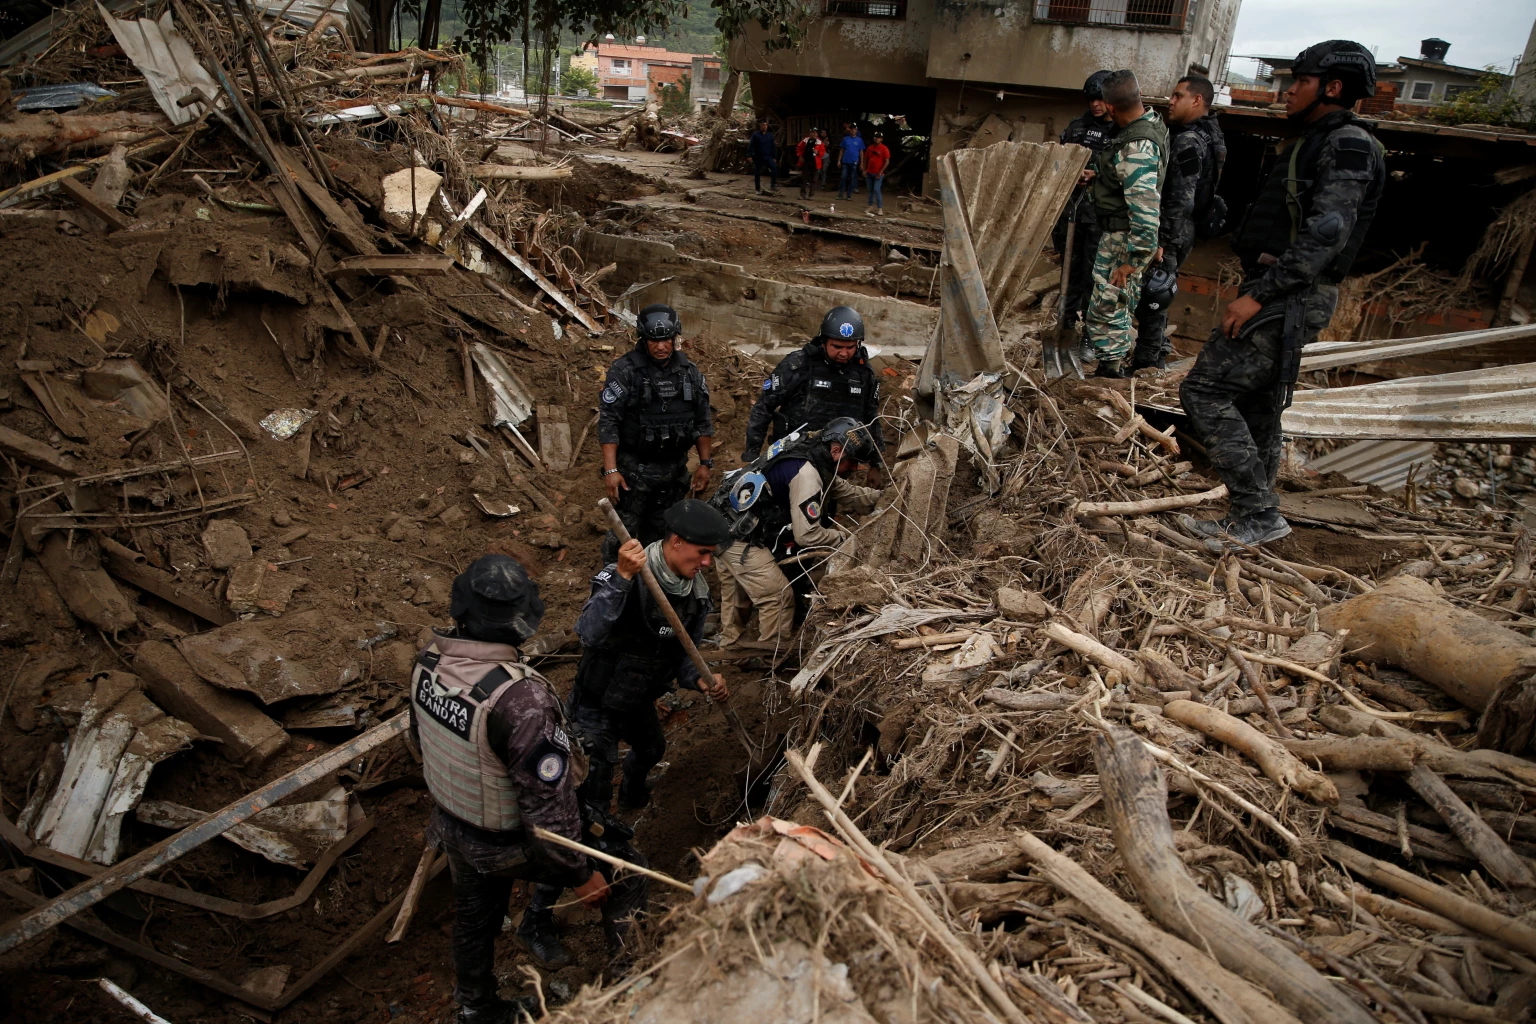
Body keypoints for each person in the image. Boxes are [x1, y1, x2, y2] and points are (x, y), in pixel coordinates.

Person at [1180, 40, 1384, 550]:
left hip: (1288, 294)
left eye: (1300, 82)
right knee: (1259, 405)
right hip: (1286, 291)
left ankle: (1256, 512)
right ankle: (1254, 518)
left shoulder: (1347, 145)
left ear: (1332, 88)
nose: (1288, 91)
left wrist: (1259, 296)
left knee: (1203, 391)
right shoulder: (1316, 141)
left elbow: (1325, 235)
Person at [409, 554, 610, 1022]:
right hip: (505, 843)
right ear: (521, 624)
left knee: (474, 919)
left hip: (454, 827)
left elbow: (419, 740)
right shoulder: (520, 698)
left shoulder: (426, 663)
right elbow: (549, 811)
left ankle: (475, 1009)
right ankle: (619, 977)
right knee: (622, 867)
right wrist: (580, 874)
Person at [570, 499, 732, 811]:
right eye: (703, 552)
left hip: (637, 698)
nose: (708, 563)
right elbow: (588, 633)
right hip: (597, 700)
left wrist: (700, 678)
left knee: (651, 749)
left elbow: (686, 654)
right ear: (677, 541)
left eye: (711, 554)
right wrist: (621, 578)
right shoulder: (626, 576)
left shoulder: (695, 597)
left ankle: (632, 798)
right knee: (592, 786)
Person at [714, 418, 883, 648]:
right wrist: (847, 538)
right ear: (836, 451)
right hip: (739, 534)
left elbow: (846, 492)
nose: (854, 470)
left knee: (739, 588)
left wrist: (885, 499)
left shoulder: (812, 449)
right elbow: (808, 535)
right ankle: (768, 659)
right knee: (777, 596)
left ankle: (731, 646)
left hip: (723, 520)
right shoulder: (807, 474)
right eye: (853, 462)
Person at [598, 304, 714, 563]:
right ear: (643, 339)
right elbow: (609, 422)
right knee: (623, 533)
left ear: (675, 339)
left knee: (664, 533)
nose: (661, 346)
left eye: (666, 340)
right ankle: (612, 584)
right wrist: (610, 470)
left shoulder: (690, 374)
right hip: (635, 471)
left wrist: (705, 464)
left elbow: (703, 422)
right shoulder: (626, 371)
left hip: (674, 472)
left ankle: (653, 585)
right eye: (654, 340)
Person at [1130, 74, 1227, 370]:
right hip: (1185, 228)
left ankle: (1147, 363)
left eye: (1177, 96)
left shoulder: (1188, 140)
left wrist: (1163, 242)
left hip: (1175, 229)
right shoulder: (1211, 134)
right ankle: (1157, 351)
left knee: (1153, 295)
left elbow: (1181, 198)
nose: (1170, 102)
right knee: (1161, 291)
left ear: (1197, 100)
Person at [1082, 69, 1167, 378]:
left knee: (1109, 306)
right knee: (1112, 303)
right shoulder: (1146, 127)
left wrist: (1135, 260)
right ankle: (1110, 368)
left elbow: (1144, 208)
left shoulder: (1138, 145)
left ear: (1112, 107)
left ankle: (1110, 374)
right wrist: (1099, 177)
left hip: (1124, 239)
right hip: (1123, 236)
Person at [743, 305, 884, 465]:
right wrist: (751, 456)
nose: (844, 353)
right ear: (823, 341)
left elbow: (871, 418)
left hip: (839, 463)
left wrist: (876, 463)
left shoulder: (863, 373)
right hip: (794, 457)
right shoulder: (798, 365)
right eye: (837, 347)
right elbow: (763, 408)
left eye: (850, 347)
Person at [1052, 71, 1116, 327]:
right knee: (1069, 271)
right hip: (1072, 214)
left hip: (1100, 217)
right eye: (1091, 100)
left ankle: (1091, 331)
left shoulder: (1121, 130)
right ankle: (1064, 323)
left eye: (1100, 99)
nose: (1095, 105)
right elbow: (1059, 159)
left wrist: (1097, 175)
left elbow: (1124, 172)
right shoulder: (1078, 126)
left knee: (1096, 275)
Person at [864, 131, 891, 216]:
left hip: (878, 173)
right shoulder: (870, 148)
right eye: (876, 137)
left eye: (879, 137)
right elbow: (865, 159)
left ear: (881, 139)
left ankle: (880, 208)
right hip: (869, 172)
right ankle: (870, 206)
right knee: (870, 190)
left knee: (876, 189)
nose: (877, 139)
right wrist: (864, 170)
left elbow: (887, 161)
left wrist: (881, 171)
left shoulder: (884, 148)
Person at [836, 123, 865, 201]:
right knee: (843, 178)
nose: (853, 131)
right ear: (850, 130)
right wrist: (839, 160)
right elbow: (841, 150)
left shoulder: (859, 140)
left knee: (852, 179)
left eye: (854, 129)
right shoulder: (845, 139)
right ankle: (840, 194)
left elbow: (861, 152)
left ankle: (849, 195)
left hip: (854, 162)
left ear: (856, 130)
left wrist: (862, 163)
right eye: (851, 129)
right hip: (845, 161)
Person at [748, 118, 777, 194]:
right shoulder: (756, 135)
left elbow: (773, 146)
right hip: (759, 157)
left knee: (774, 168)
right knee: (757, 173)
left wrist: (774, 157)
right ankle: (757, 189)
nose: (764, 126)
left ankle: (773, 185)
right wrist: (749, 155)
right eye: (763, 125)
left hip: (768, 157)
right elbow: (751, 146)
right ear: (760, 126)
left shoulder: (770, 136)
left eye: (766, 125)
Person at [796, 127, 824, 199]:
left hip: (815, 162)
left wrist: (818, 152)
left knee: (814, 179)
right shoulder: (805, 140)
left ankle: (811, 195)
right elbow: (799, 148)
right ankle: (802, 194)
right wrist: (800, 156)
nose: (814, 134)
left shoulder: (819, 142)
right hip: (806, 161)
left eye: (815, 132)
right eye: (813, 132)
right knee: (804, 178)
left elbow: (822, 152)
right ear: (810, 133)